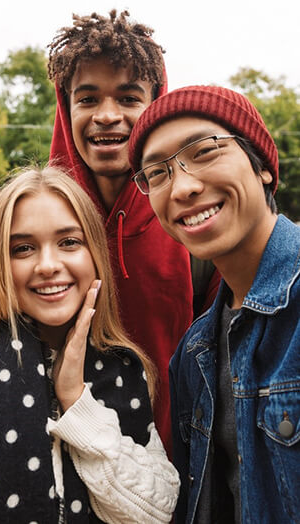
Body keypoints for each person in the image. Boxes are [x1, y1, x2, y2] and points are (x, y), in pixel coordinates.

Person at [0, 166, 180, 523]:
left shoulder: (120, 367)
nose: (47, 265)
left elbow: (156, 510)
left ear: (95, 255)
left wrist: (76, 402)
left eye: (69, 242)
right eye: (23, 248)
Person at [47, 10, 219, 453]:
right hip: (59, 461)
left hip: (177, 463)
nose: (107, 116)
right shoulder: (34, 221)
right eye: (87, 99)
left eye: (128, 98)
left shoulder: (193, 221)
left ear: (154, 107)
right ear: (66, 112)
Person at [129, 85, 299, 523]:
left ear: (261, 166)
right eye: (157, 174)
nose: (182, 187)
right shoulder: (193, 353)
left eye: (204, 151)